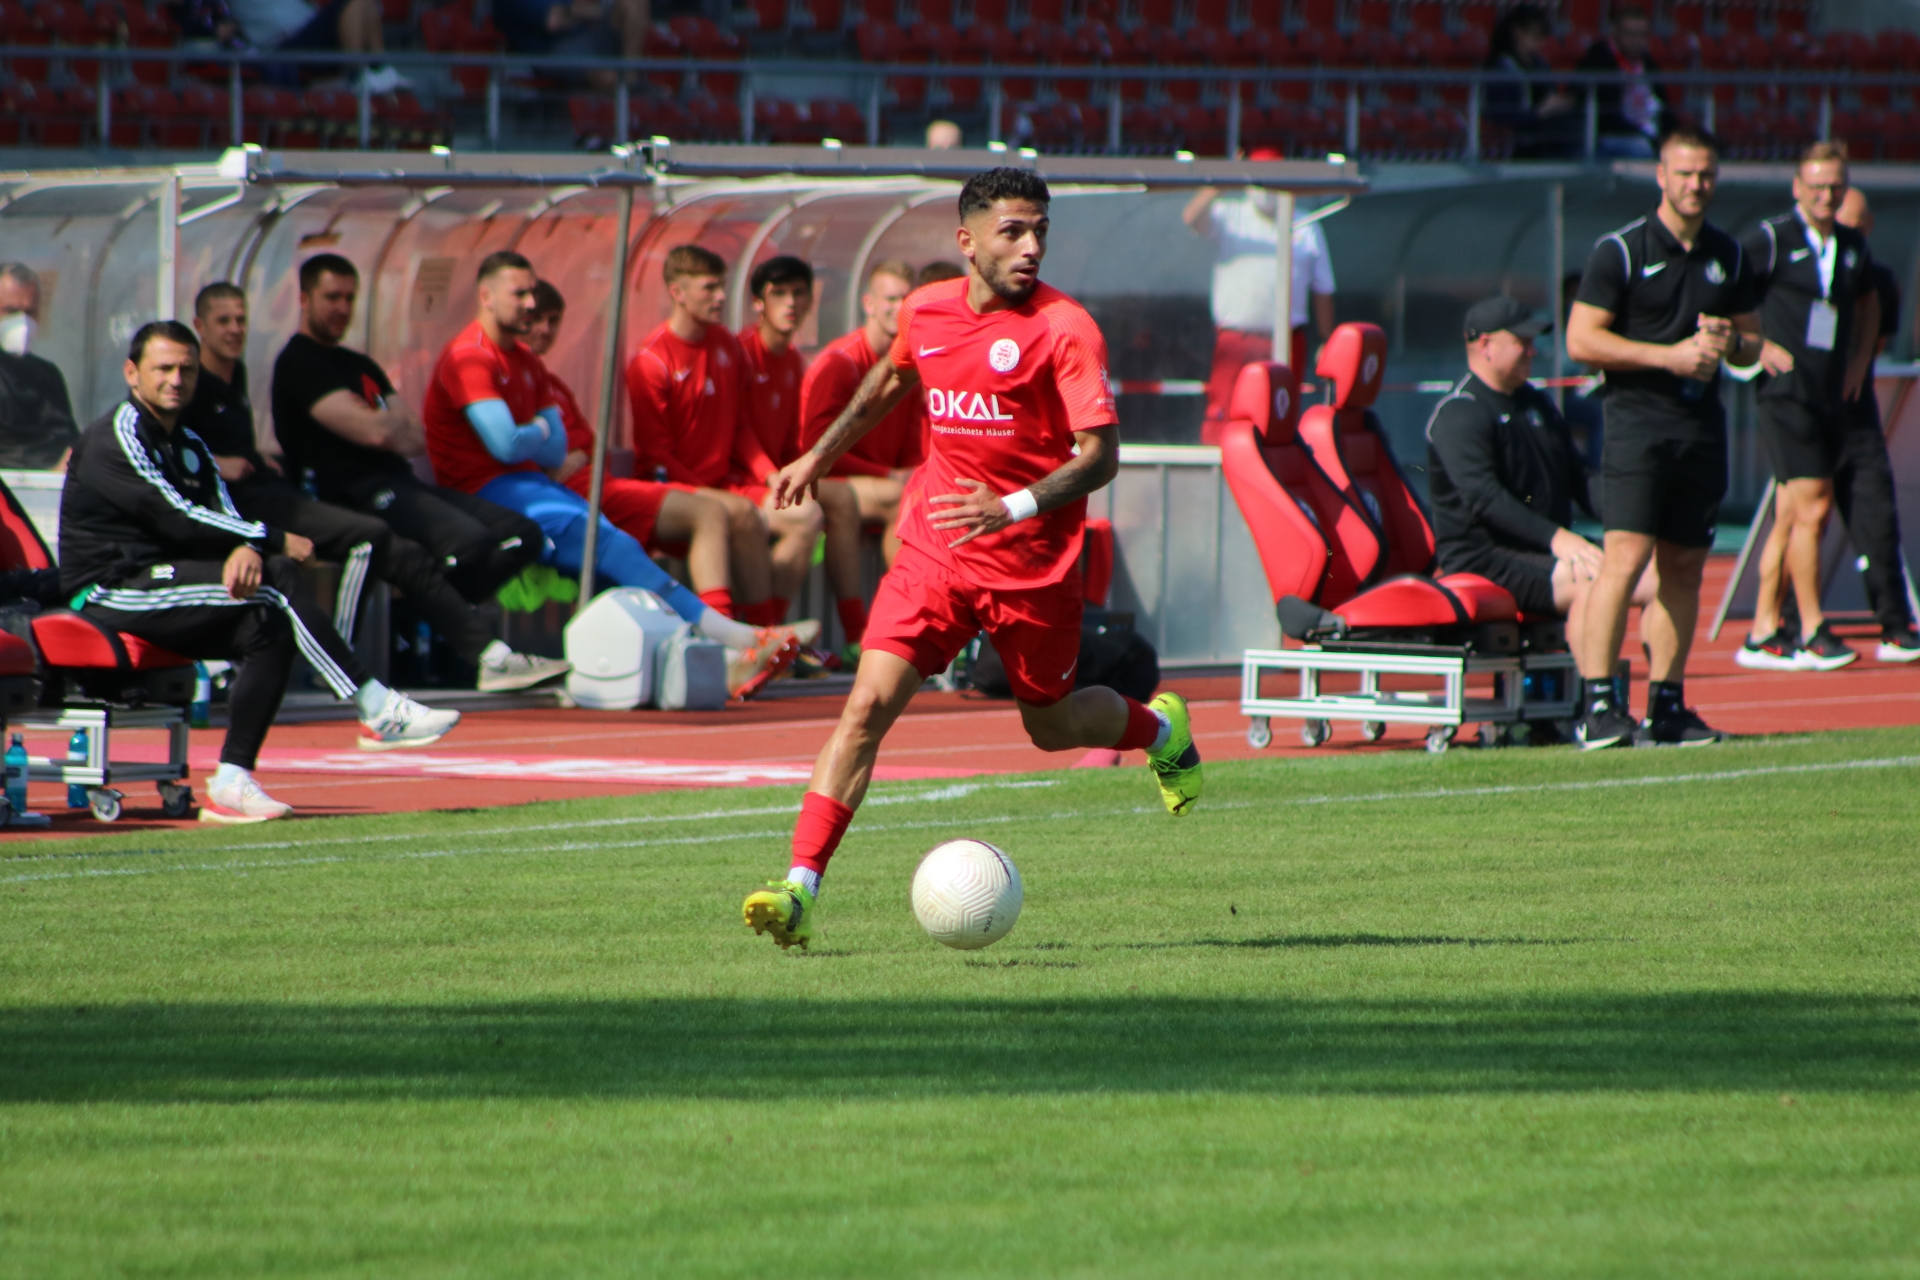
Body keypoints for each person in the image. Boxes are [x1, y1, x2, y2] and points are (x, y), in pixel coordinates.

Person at [739, 168, 1202, 951]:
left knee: (1048, 727)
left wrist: (1011, 506)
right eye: (1013, 232)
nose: (1031, 247)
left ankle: (1160, 731)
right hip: (936, 555)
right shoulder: (926, 312)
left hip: (1033, 567)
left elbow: (1103, 457)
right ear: (967, 241)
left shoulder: (1066, 330)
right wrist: (817, 454)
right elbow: (891, 379)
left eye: (1041, 231)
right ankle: (799, 892)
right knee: (864, 710)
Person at [61, 323, 463, 822]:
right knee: (275, 579)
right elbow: (172, 515)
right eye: (163, 368)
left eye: (186, 369)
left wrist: (246, 545)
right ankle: (374, 705)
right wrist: (268, 539)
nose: (176, 379)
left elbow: (223, 514)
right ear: (132, 373)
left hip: (169, 579)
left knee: (266, 626)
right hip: (110, 591)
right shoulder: (115, 436)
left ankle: (232, 779)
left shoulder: (190, 444)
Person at [423, 252, 803, 696]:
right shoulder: (471, 357)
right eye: (520, 294)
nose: (530, 305)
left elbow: (559, 445)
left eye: (535, 294)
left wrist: (537, 436)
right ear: (485, 297)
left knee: (618, 545)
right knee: (621, 542)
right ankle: (734, 640)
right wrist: (542, 431)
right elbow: (506, 444)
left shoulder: (526, 361)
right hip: (490, 492)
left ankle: (710, 648)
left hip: (538, 485)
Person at [187, 283, 569, 693]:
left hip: (287, 492)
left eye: (241, 319)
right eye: (223, 321)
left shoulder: (242, 375)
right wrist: (216, 463)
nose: (235, 329)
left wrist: (257, 457)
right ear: (200, 327)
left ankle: (487, 656)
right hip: (284, 500)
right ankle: (343, 665)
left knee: (418, 552)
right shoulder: (212, 378)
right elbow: (371, 432)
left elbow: (413, 437)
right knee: (376, 537)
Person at [1566, 124, 1762, 750]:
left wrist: (1731, 343)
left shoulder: (1729, 254)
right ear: (1661, 175)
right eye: (1683, 173)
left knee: (1685, 568)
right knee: (1623, 560)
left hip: (1700, 430)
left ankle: (1668, 707)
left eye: (1705, 174)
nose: (1695, 185)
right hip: (1635, 427)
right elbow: (1580, 341)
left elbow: (1753, 340)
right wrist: (1668, 357)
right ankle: (1599, 705)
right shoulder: (1619, 251)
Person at [272, 253, 544, 610]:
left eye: (350, 298)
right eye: (332, 297)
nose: (343, 308)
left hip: (403, 483)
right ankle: (436, 626)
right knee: (468, 543)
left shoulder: (361, 364)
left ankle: (422, 613)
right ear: (305, 300)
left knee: (523, 535)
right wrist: (384, 423)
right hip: (356, 494)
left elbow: (416, 437)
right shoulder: (300, 361)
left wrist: (385, 424)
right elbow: (377, 435)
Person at [1426, 295, 1655, 648]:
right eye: (1523, 342)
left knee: (1657, 576)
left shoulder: (1535, 402)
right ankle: (1597, 695)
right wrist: (1557, 538)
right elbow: (1485, 498)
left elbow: (1579, 476)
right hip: (1486, 559)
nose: (1534, 351)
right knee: (1594, 581)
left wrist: (1632, 522)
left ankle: (1663, 697)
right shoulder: (1460, 413)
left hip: (1542, 553)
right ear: (1486, 345)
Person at [1735, 141, 1879, 673]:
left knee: (1791, 515)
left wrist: (1861, 360)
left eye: (1834, 187)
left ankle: (1763, 630)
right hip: (1785, 394)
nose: (1825, 196)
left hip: (1828, 395)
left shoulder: (1850, 245)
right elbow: (1728, 292)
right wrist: (1758, 345)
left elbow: (1867, 302)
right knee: (1813, 507)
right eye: (1816, 187)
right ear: (1797, 187)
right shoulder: (1772, 240)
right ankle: (1812, 626)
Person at [523, 280, 740, 616]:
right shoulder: (506, 381)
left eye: (553, 321)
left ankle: (759, 628)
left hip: (599, 487)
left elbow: (594, 446)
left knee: (739, 515)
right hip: (570, 501)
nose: (545, 330)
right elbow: (512, 450)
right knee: (711, 512)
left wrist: (579, 455)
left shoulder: (552, 385)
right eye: (535, 320)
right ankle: (727, 633)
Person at [626, 245, 807, 629]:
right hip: (669, 491)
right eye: (710, 288)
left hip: (725, 485)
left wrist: (770, 475)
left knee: (806, 514)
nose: (722, 297)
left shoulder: (727, 344)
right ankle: (743, 635)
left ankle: (767, 633)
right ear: (678, 293)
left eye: (722, 287)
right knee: (736, 514)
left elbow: (741, 425)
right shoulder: (652, 360)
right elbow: (657, 458)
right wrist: (709, 494)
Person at [1780, 188, 1920, 663]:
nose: (1850, 232)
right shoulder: (1795, 265)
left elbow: (1873, 325)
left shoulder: (1873, 276)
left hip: (1854, 413)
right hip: (1803, 411)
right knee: (1799, 520)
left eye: (1858, 225)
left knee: (1878, 516)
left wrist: (1860, 358)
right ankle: (1790, 623)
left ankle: (1896, 624)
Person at [735, 255, 863, 641]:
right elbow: (737, 430)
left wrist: (806, 468)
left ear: (809, 301)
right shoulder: (739, 351)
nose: (790, 303)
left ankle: (855, 634)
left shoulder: (793, 359)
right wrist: (769, 475)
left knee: (843, 498)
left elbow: (794, 440)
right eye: (778, 294)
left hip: (772, 477)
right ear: (757, 302)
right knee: (805, 517)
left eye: (798, 293)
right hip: (739, 480)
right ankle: (767, 635)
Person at [1182, 164, 1337, 442]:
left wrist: (1326, 339)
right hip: (1236, 342)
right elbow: (1192, 218)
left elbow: (1323, 287)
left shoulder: (1306, 224)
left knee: (1279, 421)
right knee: (1224, 419)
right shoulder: (1230, 215)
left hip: (1287, 343)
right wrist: (1225, 176)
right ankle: (1220, 479)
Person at [800, 260, 928, 594]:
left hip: (873, 480)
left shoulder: (908, 366)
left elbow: (912, 447)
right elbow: (815, 448)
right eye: (890, 299)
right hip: (829, 480)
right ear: (868, 304)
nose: (898, 308)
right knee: (900, 497)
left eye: (905, 299)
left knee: (926, 494)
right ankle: (903, 607)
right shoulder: (840, 361)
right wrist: (887, 474)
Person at [221, 0, 405, 90]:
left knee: (366, 4)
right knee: (355, 3)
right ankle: (356, 76)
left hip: (309, 30)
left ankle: (381, 70)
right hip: (283, 48)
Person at [0, 263, 79, 471]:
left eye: (30, 312)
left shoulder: (47, 375)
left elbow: (68, 436)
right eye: (11, 311)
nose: (22, 323)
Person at [1482, 3, 1578, 160]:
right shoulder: (1501, 68)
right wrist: (1539, 113)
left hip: (1544, 133)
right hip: (1520, 138)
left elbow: (1549, 95)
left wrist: (1559, 104)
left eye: (1542, 37)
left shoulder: (1541, 65)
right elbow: (1502, 116)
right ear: (1518, 33)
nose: (1539, 42)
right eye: (1534, 36)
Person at [1575, 6, 1672, 159]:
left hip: (1650, 132)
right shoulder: (1599, 61)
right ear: (1615, 33)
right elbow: (1606, 118)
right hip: (1611, 136)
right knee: (1641, 149)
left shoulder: (1649, 64)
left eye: (1641, 34)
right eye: (1630, 33)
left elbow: (1665, 106)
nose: (1636, 40)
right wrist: (1650, 139)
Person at [490, 0, 648, 92]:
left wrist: (573, 12)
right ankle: (631, 104)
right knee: (605, 76)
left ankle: (631, 76)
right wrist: (580, 11)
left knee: (634, 3)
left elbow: (594, 9)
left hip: (587, 35)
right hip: (550, 52)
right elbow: (553, 22)